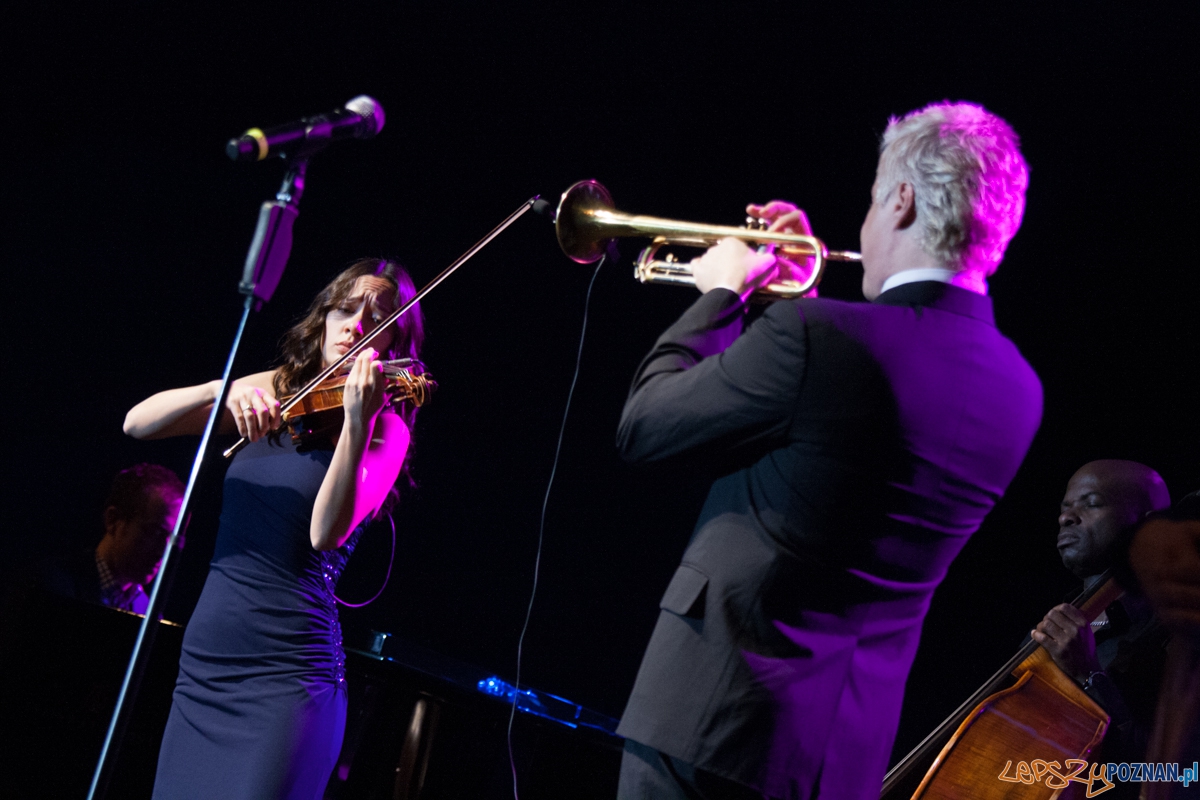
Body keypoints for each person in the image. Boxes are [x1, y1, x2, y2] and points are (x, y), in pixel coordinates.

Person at [614, 102, 1043, 800]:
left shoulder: (820, 338)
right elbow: (851, 423)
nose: (866, 223)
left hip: (706, 728)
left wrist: (721, 293)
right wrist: (801, 302)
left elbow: (645, 424)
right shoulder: (1019, 390)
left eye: (874, 198)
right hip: (838, 761)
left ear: (902, 200)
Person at [125, 258, 425, 800]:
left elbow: (324, 533)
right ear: (325, 317)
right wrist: (222, 390)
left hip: (287, 680)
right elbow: (137, 423)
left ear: (394, 342)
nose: (355, 325)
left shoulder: (387, 428)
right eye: (345, 309)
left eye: (375, 316)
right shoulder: (280, 388)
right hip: (205, 668)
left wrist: (356, 425)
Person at [1031, 459, 1172, 775]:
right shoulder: (1045, 634)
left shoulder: (1178, 632)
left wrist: (1089, 676)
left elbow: (1174, 774)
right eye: (1065, 508)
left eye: (1091, 504)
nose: (1066, 517)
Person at [40, 463, 183, 614]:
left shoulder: (148, 612)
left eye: (172, 540)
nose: (163, 551)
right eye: (154, 532)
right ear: (112, 520)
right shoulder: (50, 586)